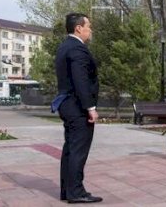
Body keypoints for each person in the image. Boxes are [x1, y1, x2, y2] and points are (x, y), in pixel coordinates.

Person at [54, 13, 102, 204]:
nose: (90, 30)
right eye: (88, 26)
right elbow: (80, 80)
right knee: (78, 150)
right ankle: (76, 192)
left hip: (68, 105)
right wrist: (90, 107)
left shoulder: (65, 46)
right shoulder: (77, 49)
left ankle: (68, 190)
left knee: (70, 149)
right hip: (77, 107)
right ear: (78, 28)